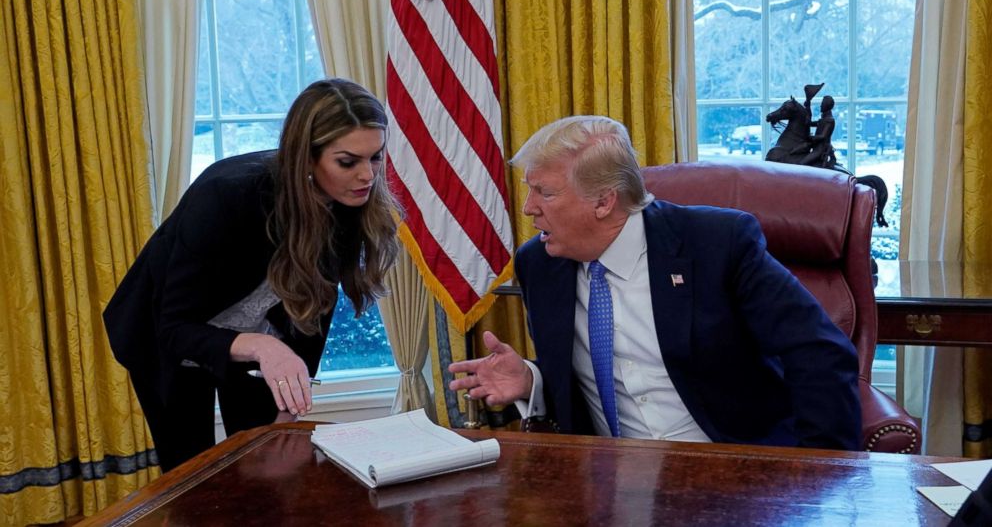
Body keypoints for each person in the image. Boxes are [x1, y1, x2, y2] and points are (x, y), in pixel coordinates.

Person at [449, 115, 861, 450]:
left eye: (544, 192)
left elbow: (819, 352)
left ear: (604, 201)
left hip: (732, 468)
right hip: (611, 485)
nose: (528, 208)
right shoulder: (540, 264)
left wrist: (822, 474)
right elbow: (589, 373)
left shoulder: (717, 244)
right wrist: (531, 379)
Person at [103, 78, 400, 471]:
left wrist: (289, 404)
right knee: (190, 474)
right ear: (305, 158)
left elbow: (315, 315)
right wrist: (262, 347)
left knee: (268, 464)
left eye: (376, 157)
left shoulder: (349, 206)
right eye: (348, 162)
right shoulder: (227, 196)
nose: (368, 175)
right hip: (165, 336)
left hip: (263, 337)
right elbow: (173, 328)